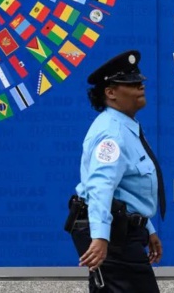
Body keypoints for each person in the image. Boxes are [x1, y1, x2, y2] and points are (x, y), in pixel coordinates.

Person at [70, 49, 166, 292]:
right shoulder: (112, 134)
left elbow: (126, 190)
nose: (140, 86)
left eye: (139, 81)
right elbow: (101, 187)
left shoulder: (125, 127)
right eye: (131, 83)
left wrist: (147, 228)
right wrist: (101, 237)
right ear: (110, 93)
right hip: (113, 238)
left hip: (123, 233)